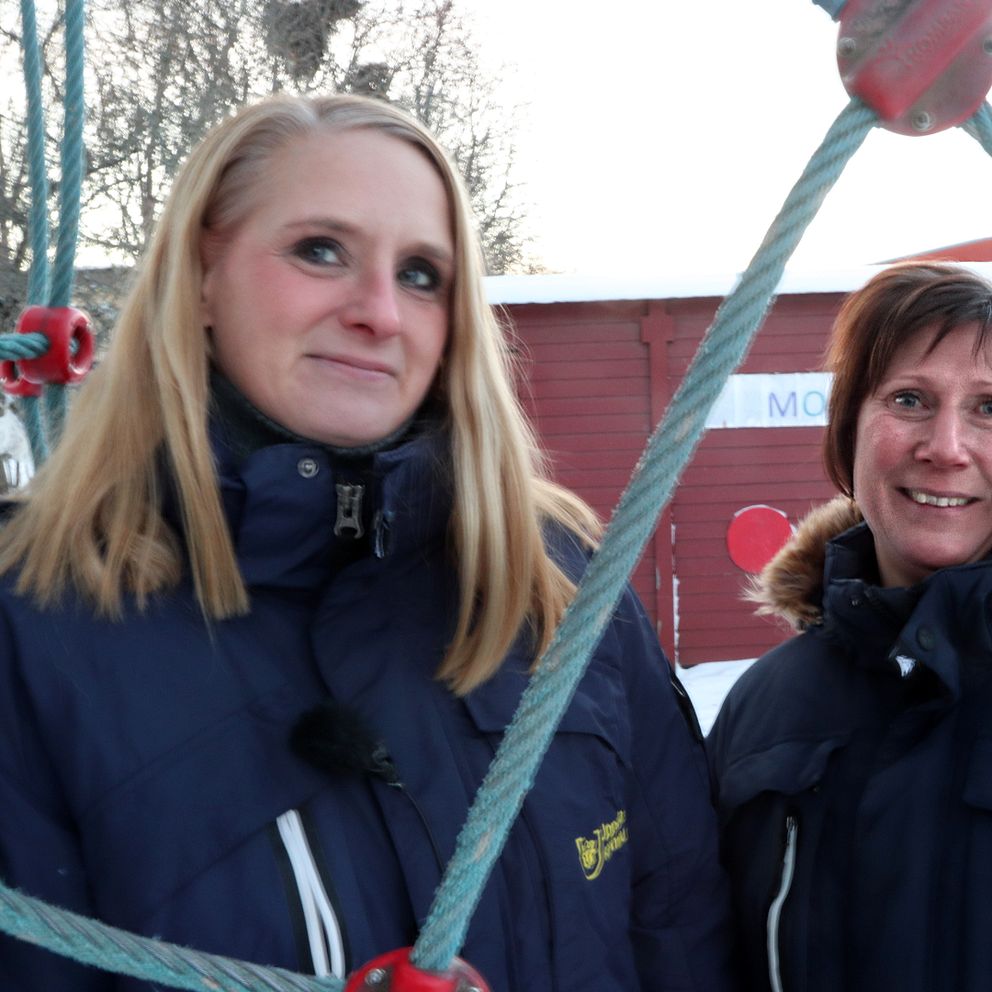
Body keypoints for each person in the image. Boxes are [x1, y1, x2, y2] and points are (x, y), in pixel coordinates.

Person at [0, 93, 736, 991]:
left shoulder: (557, 580)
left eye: (422, 274)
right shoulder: (34, 629)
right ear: (200, 277)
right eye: (321, 251)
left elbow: (679, 923)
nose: (381, 313)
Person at [709, 260, 992, 992]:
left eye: (990, 408)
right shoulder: (766, 706)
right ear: (848, 431)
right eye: (909, 399)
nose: (947, 447)